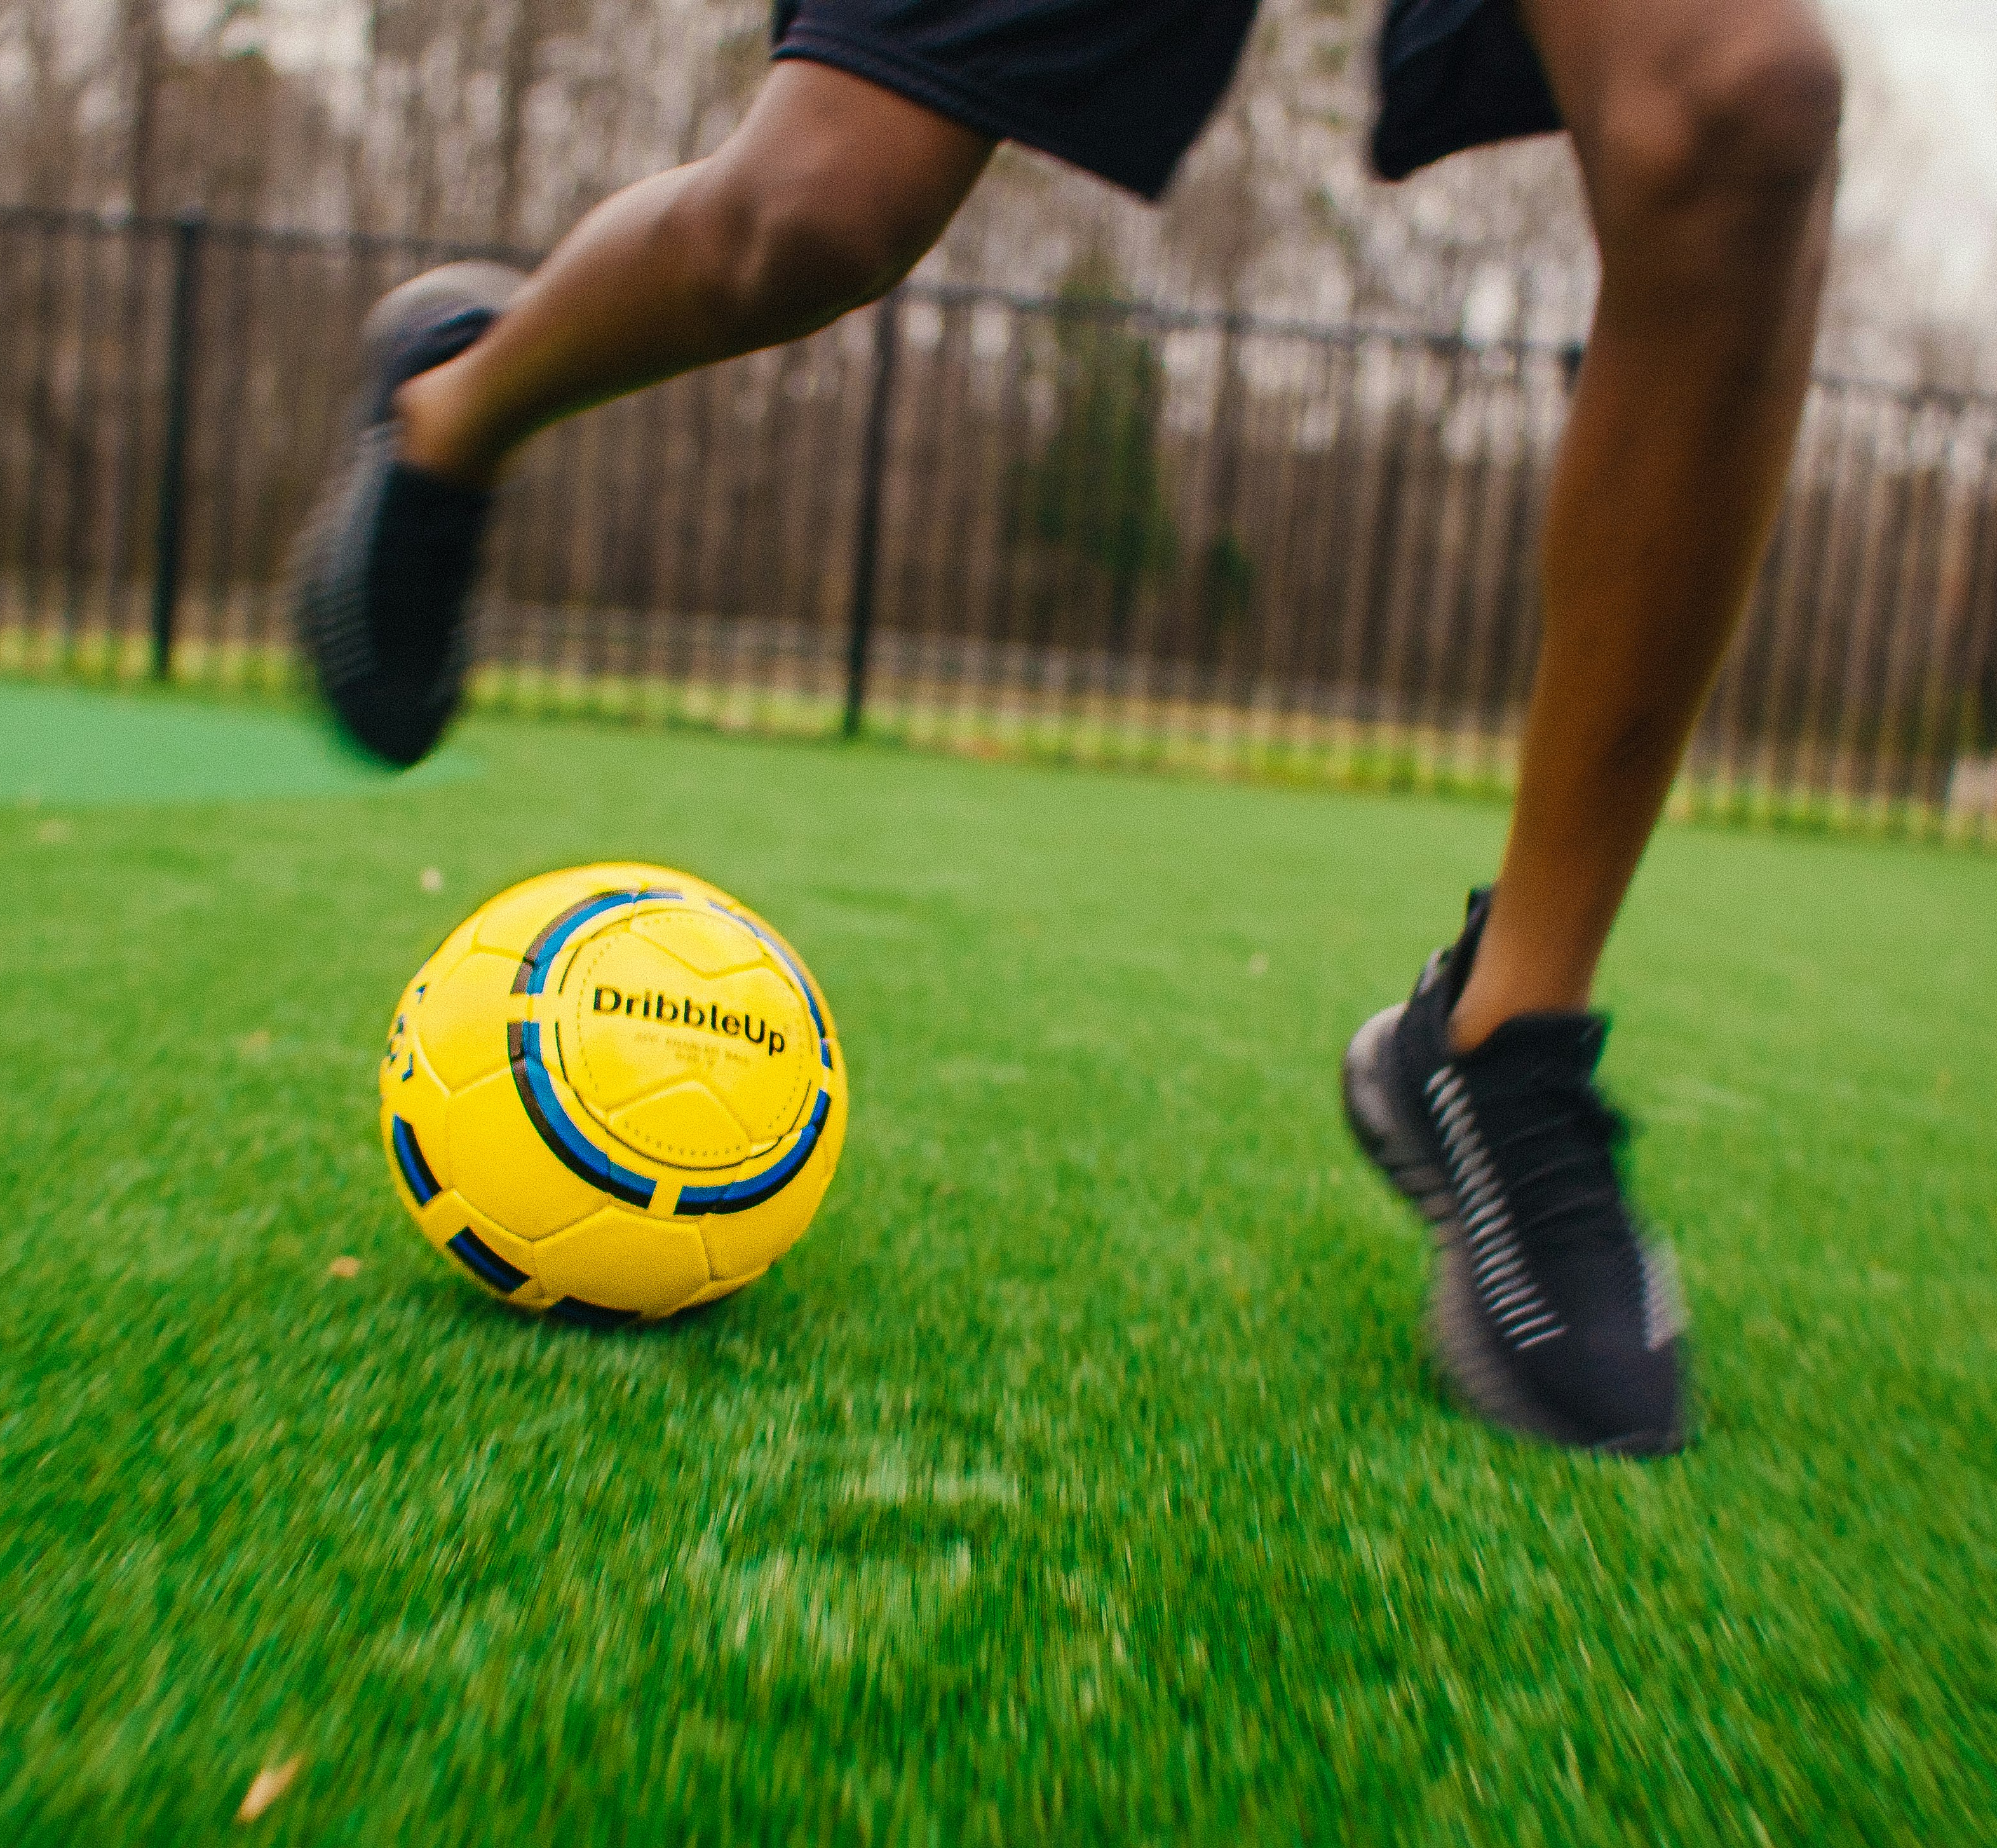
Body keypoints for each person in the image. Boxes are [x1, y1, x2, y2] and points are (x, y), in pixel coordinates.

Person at [292, 0, 1843, 1458]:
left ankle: (1504, 1046)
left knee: (1738, 97)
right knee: (821, 208)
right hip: (791, 223)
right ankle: (456, 404)